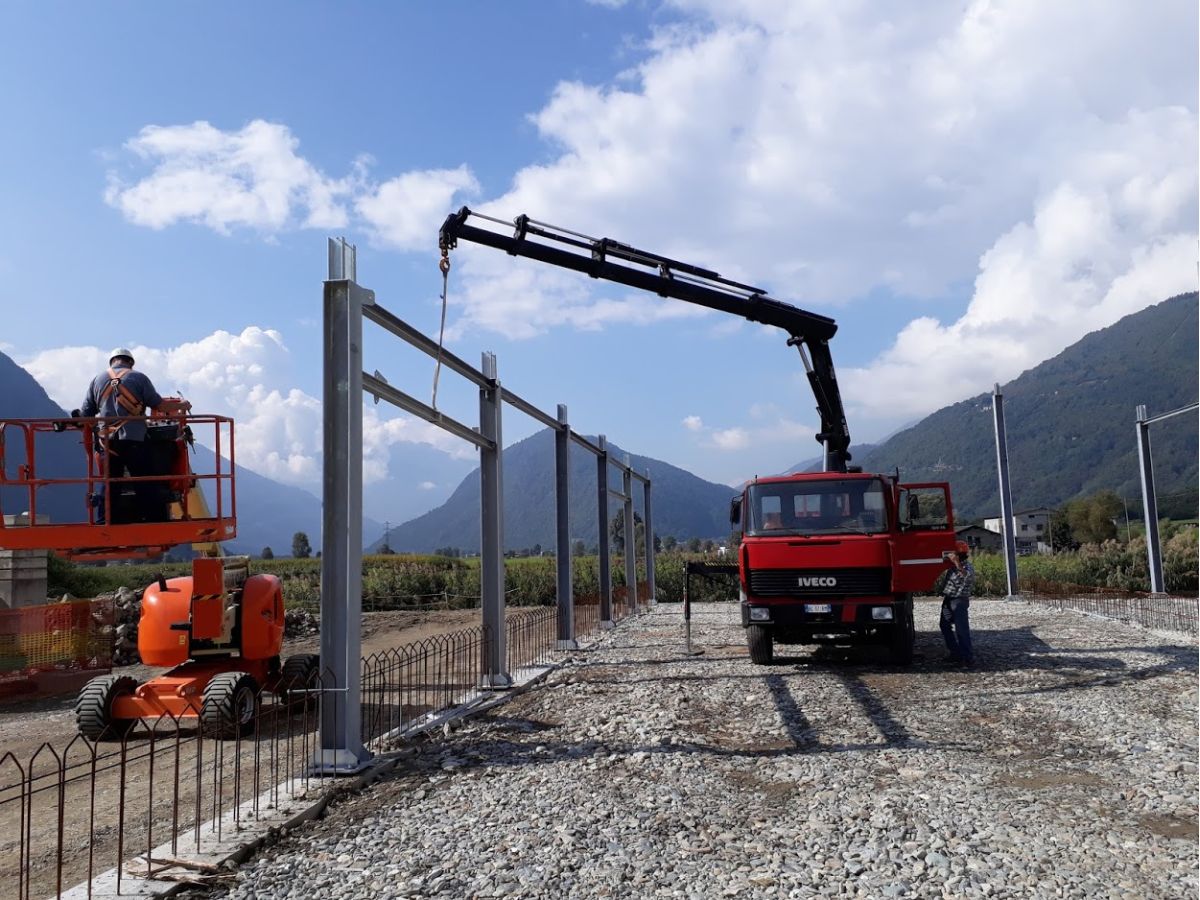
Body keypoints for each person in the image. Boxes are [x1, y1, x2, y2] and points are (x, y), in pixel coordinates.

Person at [78, 348, 163, 523]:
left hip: (107, 442)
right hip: (134, 440)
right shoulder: (139, 378)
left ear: (112, 361)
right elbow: (158, 405)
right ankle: (152, 519)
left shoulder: (97, 380)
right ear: (130, 362)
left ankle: (105, 521)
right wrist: (183, 405)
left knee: (109, 483)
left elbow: (85, 413)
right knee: (145, 480)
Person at [940, 540, 976, 668]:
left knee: (962, 630)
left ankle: (967, 658)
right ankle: (956, 653)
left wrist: (956, 563)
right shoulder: (952, 566)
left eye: (953, 553)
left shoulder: (967, 566)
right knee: (944, 625)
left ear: (959, 555)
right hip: (948, 600)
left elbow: (967, 576)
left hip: (959, 601)